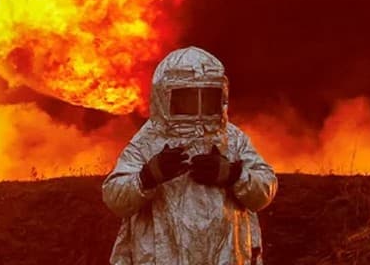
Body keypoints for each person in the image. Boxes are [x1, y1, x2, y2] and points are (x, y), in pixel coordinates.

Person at [103, 46, 278, 264]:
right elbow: (114, 197)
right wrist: (148, 176)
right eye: (187, 97)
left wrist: (234, 175)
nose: (198, 105)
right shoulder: (149, 141)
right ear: (166, 97)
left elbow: (265, 190)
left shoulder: (232, 139)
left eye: (206, 96)